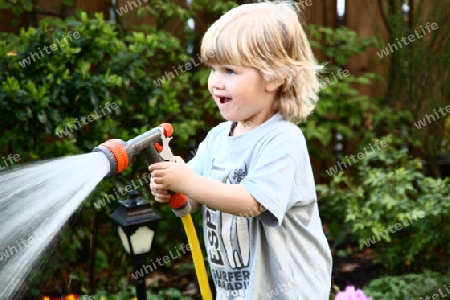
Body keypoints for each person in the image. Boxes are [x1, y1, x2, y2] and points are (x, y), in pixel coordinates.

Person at [149, 1, 332, 299]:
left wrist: (186, 181)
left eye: (230, 71)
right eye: (213, 69)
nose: (215, 83)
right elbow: (193, 196)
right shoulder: (218, 138)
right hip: (237, 291)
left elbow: (253, 203)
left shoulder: (283, 140)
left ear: (274, 76)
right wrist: (171, 187)